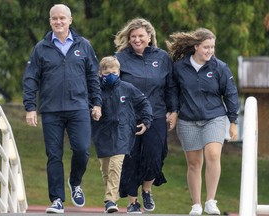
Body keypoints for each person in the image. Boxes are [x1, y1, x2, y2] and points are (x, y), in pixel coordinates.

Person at [22, 4, 102, 214]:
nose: (58, 22)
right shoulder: (41, 48)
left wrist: (97, 103)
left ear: (70, 20)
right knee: (54, 155)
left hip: (79, 108)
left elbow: (93, 77)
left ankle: (75, 182)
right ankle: (57, 199)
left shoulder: (83, 45)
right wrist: (30, 107)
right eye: (54, 18)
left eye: (62, 18)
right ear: (50, 21)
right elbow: (30, 79)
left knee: (82, 150)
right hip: (51, 110)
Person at [166, 28, 239, 215]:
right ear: (196, 47)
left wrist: (233, 121)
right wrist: (173, 111)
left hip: (214, 117)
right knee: (194, 163)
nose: (210, 51)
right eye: (206, 47)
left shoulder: (220, 68)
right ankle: (196, 204)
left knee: (213, 155)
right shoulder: (180, 67)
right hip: (188, 120)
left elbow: (230, 93)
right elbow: (173, 91)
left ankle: (210, 201)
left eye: (212, 47)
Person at [114, 18, 175, 213]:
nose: (137, 39)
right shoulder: (120, 58)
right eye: (133, 36)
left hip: (156, 114)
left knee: (155, 156)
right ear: (128, 38)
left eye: (141, 36)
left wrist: (174, 111)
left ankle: (147, 189)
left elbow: (171, 86)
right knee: (130, 159)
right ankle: (132, 202)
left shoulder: (163, 57)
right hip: (128, 116)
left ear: (150, 37)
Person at [92, 56, 153, 213]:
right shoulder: (95, 90)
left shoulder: (127, 88)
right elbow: (88, 107)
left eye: (113, 71)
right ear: (100, 74)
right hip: (102, 133)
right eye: (106, 72)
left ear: (118, 72)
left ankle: (110, 200)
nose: (110, 74)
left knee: (115, 165)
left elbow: (144, 103)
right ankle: (111, 198)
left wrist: (146, 121)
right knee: (106, 169)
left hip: (122, 132)